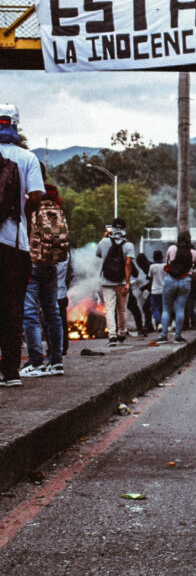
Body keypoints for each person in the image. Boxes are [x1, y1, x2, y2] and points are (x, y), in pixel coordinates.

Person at [0, 103, 44, 387]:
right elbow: (38, 195)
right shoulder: (27, 158)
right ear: (16, 125)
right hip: (14, 244)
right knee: (13, 306)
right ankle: (11, 371)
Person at [21, 181, 66, 377]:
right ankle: (56, 362)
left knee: (30, 313)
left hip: (32, 262)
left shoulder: (30, 201)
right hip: (52, 262)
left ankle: (36, 362)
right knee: (53, 313)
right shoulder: (55, 199)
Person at [96, 217, 136, 346]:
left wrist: (105, 237)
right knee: (122, 310)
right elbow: (128, 264)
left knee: (109, 309)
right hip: (122, 282)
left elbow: (99, 254)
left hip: (107, 282)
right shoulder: (129, 245)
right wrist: (128, 283)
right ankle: (122, 333)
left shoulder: (103, 242)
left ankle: (112, 336)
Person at [158, 231, 193, 344]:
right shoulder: (193, 252)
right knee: (180, 309)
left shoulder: (172, 248)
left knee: (166, 309)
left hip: (170, 280)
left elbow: (167, 262)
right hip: (185, 281)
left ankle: (164, 335)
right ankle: (178, 336)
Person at [148, 250, 165, 334]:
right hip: (164, 290)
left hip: (155, 290)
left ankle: (159, 323)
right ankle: (164, 324)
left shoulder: (152, 266)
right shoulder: (165, 266)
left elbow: (150, 277)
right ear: (162, 257)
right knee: (164, 308)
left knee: (155, 308)